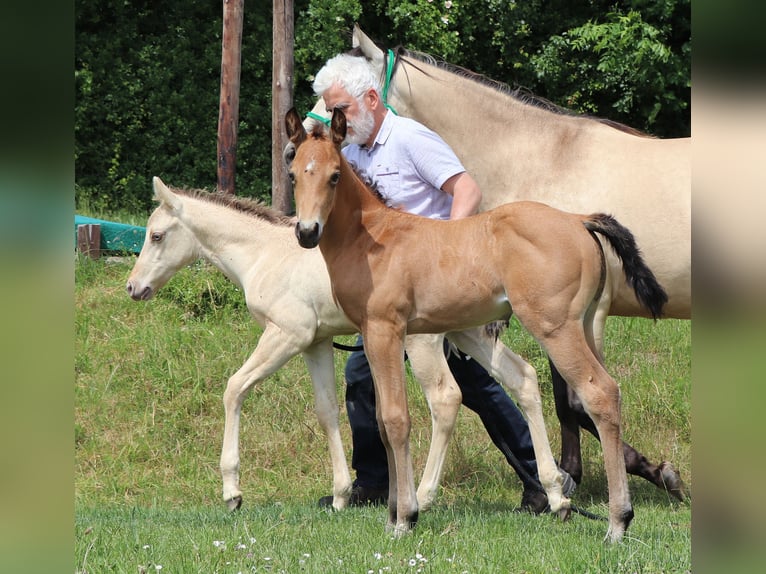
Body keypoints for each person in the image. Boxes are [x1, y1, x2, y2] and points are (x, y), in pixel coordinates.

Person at [311, 53, 574, 513]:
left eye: (342, 110)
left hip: (435, 284)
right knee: (368, 377)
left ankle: (539, 477)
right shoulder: (348, 154)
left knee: (475, 382)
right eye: (331, 110)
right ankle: (375, 482)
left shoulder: (411, 139)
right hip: (384, 288)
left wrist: (451, 261)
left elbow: (466, 190)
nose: (336, 119)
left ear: (372, 98)